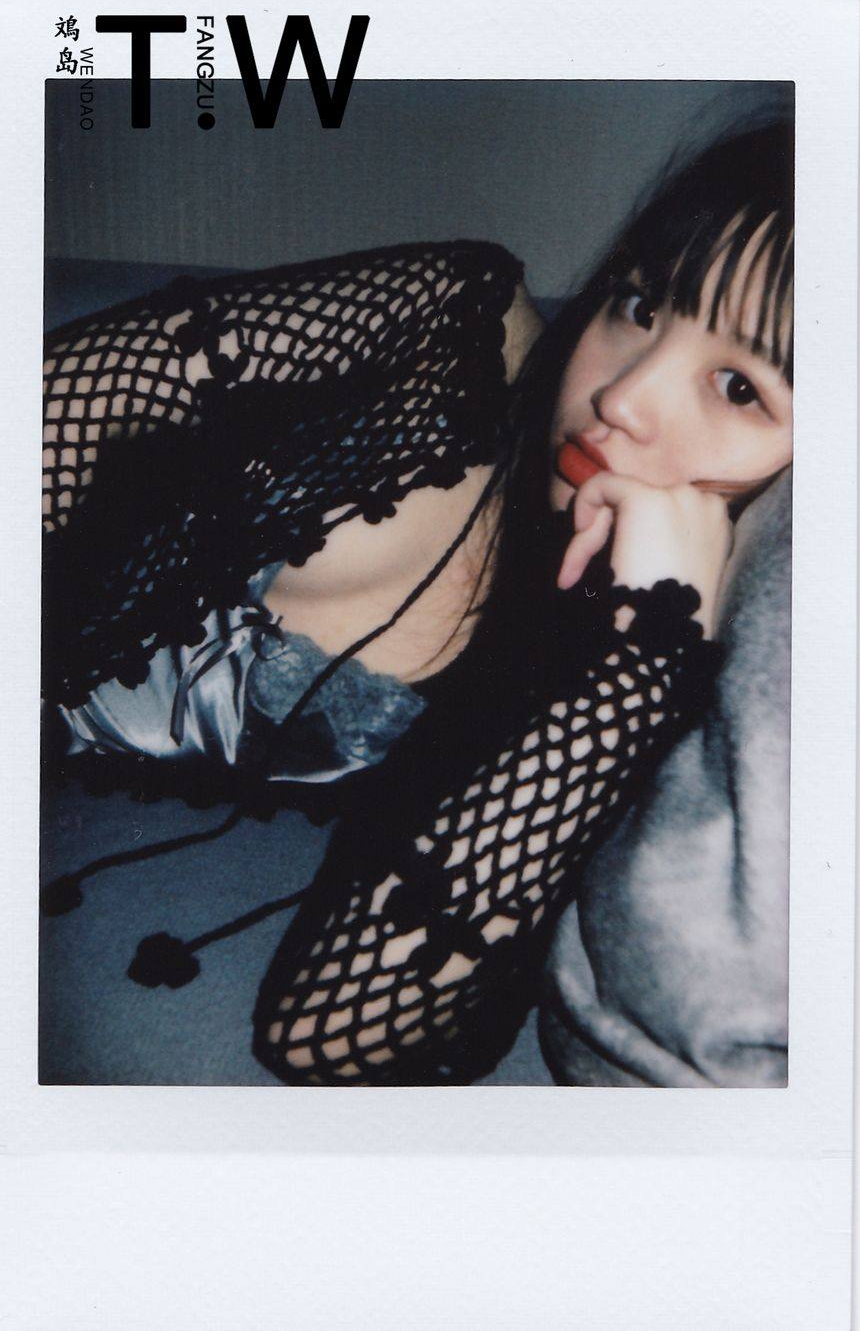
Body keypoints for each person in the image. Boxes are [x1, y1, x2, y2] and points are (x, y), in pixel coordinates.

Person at [41, 118, 793, 1084]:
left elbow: (330, 1030)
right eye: (640, 306)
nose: (623, 397)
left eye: (739, 387)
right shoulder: (459, 327)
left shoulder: (647, 681)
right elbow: (51, 415)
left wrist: (639, 653)